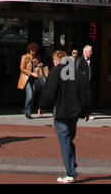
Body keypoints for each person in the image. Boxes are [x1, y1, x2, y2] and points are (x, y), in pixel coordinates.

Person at [39, 50, 91, 182]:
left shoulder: (55, 72)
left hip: (61, 112)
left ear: (56, 61)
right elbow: (86, 93)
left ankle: (70, 173)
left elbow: (49, 92)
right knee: (68, 139)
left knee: (65, 141)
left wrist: (43, 106)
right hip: (74, 112)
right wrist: (86, 110)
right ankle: (71, 164)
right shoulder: (78, 74)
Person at [19, 42, 42, 118]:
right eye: (32, 50)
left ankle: (28, 112)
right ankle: (26, 110)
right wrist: (31, 73)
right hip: (26, 78)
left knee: (32, 95)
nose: (33, 52)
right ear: (29, 50)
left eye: (35, 50)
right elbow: (22, 68)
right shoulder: (25, 57)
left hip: (34, 79)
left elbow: (37, 66)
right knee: (30, 94)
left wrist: (39, 64)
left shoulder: (36, 58)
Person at [75, 44, 94, 119]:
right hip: (82, 83)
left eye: (91, 51)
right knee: (83, 98)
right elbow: (77, 72)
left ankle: (87, 113)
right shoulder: (80, 60)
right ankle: (84, 113)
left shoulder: (91, 60)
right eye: (90, 51)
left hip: (89, 83)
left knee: (88, 99)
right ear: (85, 52)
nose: (91, 53)